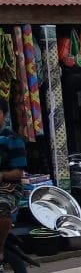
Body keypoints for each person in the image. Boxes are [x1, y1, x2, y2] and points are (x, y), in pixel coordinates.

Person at [0, 102, 25, 260]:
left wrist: (2, 176)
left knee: (1, 209)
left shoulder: (12, 139)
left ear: (3, 114)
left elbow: (18, 172)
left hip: (8, 188)